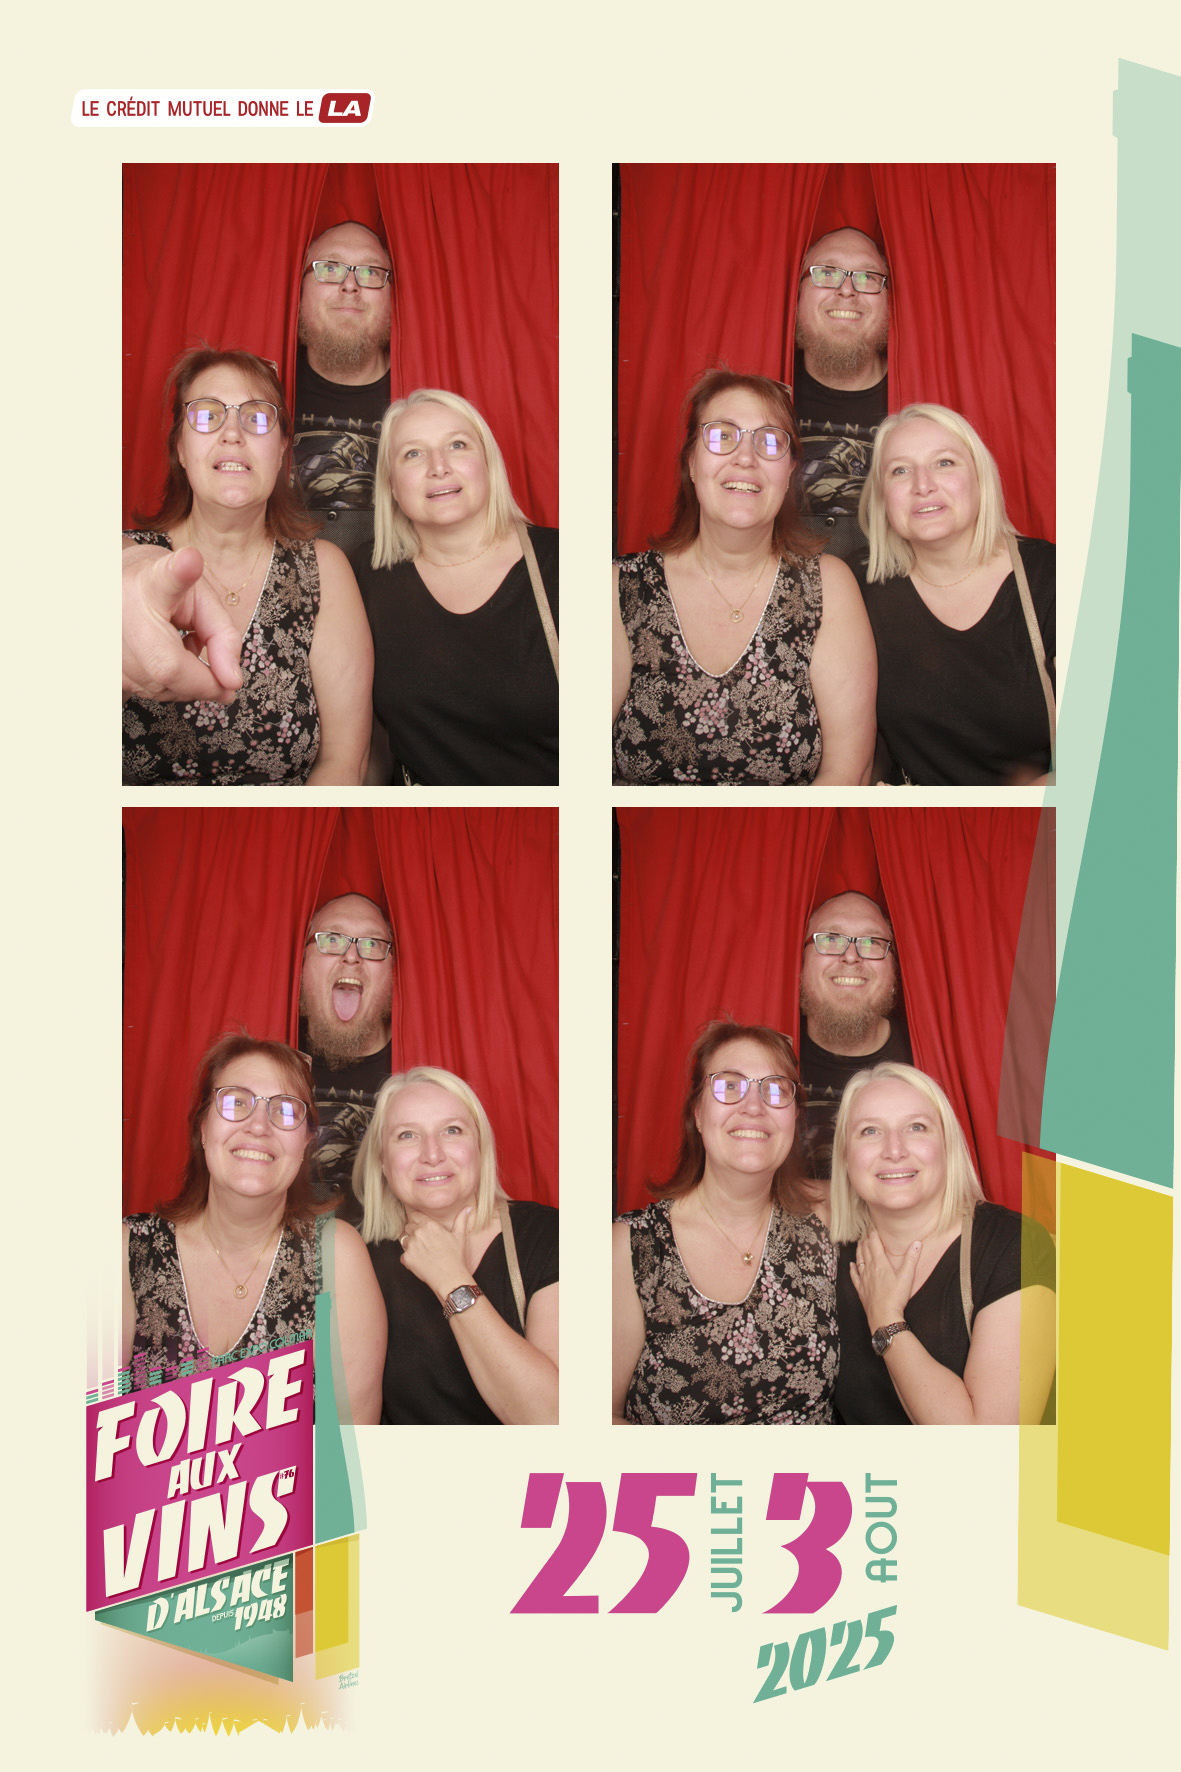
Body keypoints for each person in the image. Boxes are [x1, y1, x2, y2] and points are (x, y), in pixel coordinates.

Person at [122, 348, 374, 785]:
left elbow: (344, 762)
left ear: (281, 452)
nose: (232, 434)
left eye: (257, 418)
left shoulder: (324, 571)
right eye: (207, 415)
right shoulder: (127, 562)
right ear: (180, 447)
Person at [612, 370, 876, 786]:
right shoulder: (619, 588)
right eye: (722, 436)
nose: (746, 458)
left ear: (790, 472)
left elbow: (848, 772)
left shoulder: (828, 587)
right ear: (691, 462)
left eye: (769, 442)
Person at [122, 1034, 386, 1425]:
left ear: (306, 1141)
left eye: (285, 1110)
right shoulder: (126, 1249)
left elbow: (348, 1450)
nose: (259, 1126)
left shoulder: (336, 1256)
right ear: (203, 1127)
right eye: (235, 1103)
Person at [612, 1021, 837, 1425]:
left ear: (794, 1118)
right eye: (729, 1086)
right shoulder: (629, 1247)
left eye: (775, 1090)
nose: (753, 1106)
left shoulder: (828, 1218)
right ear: (698, 1114)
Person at [829, 1063, 1056, 1425]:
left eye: (916, 1127)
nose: (894, 1150)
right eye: (870, 1131)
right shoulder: (826, 1256)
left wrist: (886, 1318)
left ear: (947, 1145)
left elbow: (987, 1450)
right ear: (845, 1156)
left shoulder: (1015, 1246)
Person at [354, 389, 559, 785]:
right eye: (413, 453)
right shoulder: (366, 574)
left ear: (488, 463)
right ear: (392, 485)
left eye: (457, 445)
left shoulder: (566, 564)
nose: (439, 467)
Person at [858, 403, 1056, 785]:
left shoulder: (1054, 577)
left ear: (981, 478)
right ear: (883, 497)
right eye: (900, 470)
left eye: (944, 463)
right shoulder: (859, 587)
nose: (923, 485)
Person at [353, 1067, 559, 1424]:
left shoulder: (547, 1235)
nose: (432, 1154)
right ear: (383, 1161)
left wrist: (450, 1278)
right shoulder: (359, 1262)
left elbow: (554, 1420)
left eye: (452, 1130)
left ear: (479, 1147)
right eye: (407, 1135)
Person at [293, 220, 394, 565]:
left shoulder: (426, 383)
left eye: (370, 272)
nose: (350, 285)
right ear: (299, 288)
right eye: (329, 268)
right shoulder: (263, 384)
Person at [793, 227, 891, 573]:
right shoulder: (765, 384)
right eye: (826, 273)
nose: (847, 289)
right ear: (796, 293)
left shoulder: (925, 388)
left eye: (868, 277)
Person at [798, 892, 912, 1182]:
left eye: (872, 942)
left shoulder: (930, 1056)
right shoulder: (772, 1050)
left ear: (894, 968)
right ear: (800, 961)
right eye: (830, 939)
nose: (851, 956)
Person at [298, 893, 397, 1222]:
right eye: (331, 939)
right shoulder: (272, 1046)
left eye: (372, 944)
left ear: (394, 973)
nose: (352, 956)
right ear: (301, 963)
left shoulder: (423, 1054)